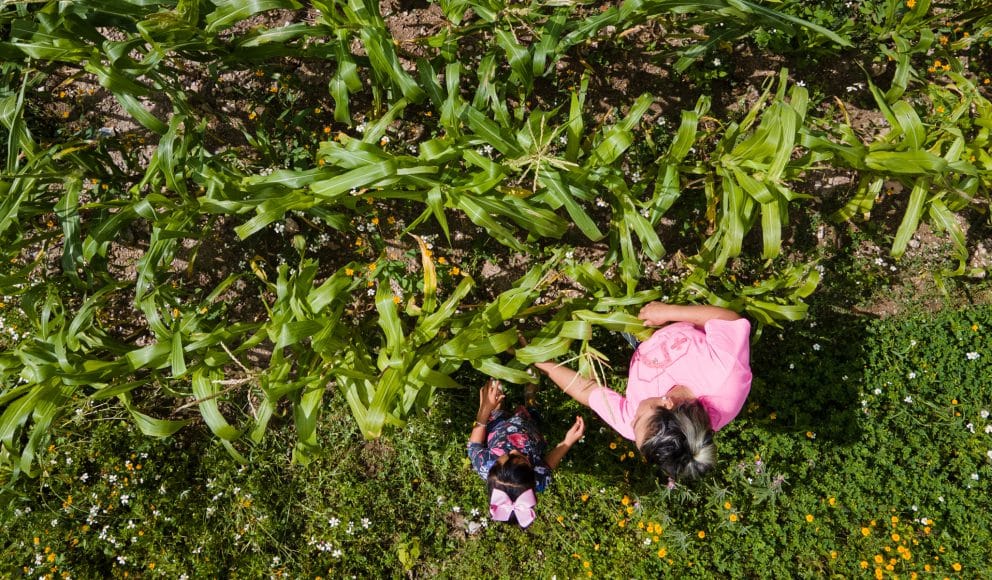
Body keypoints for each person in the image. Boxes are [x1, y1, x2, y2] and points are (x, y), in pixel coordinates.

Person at [532, 302, 751, 482]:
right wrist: (670, 311)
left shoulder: (638, 428)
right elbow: (728, 319)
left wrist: (545, 364)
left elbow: (588, 392)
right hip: (682, 317)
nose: (631, 417)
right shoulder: (725, 376)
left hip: (644, 340)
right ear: (667, 404)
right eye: (638, 418)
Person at [468, 378, 585, 528]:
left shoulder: (485, 465)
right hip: (529, 429)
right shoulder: (539, 480)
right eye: (522, 458)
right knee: (531, 415)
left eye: (506, 456)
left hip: (497, 427)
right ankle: (530, 398)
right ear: (532, 473)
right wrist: (567, 442)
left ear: (494, 467)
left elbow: (474, 445)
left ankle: (497, 405)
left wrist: (484, 408)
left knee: (494, 400)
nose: (514, 450)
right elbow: (548, 464)